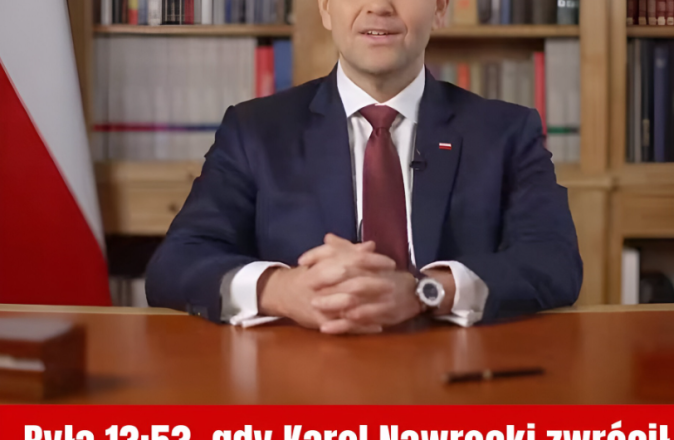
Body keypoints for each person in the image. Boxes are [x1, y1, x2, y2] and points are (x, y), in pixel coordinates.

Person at [145, 0, 583, 334]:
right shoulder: (255, 129)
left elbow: (554, 262)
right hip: (297, 379)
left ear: (440, 8)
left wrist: (426, 291)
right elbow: (177, 262)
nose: (379, 6)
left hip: (456, 378)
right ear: (325, 9)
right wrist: (281, 291)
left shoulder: (506, 132)